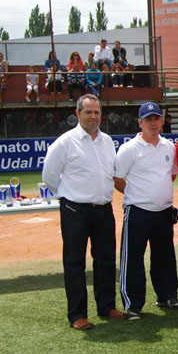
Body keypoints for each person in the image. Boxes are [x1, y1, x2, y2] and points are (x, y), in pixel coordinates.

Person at [42, 94, 126, 329]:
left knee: (106, 260)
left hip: (103, 209)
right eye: (88, 112)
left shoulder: (107, 141)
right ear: (77, 114)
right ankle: (77, 314)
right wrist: (69, 195)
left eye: (97, 112)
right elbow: (49, 176)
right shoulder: (65, 142)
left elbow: (111, 173)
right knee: (74, 262)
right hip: (74, 210)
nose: (93, 116)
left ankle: (107, 306)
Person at [113, 102, 178, 320]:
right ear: (140, 122)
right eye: (148, 119)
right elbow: (117, 179)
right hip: (138, 211)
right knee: (133, 257)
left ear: (162, 121)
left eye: (156, 119)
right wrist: (137, 194)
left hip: (163, 211)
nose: (153, 123)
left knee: (165, 256)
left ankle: (167, 296)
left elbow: (171, 175)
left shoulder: (168, 147)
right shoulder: (129, 149)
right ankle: (133, 304)